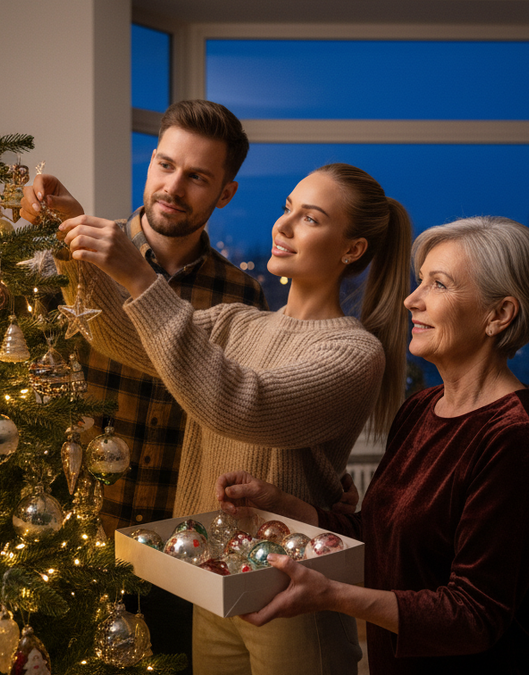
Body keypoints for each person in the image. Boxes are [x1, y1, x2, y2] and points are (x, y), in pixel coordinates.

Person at [59, 162, 413, 675]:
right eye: (287, 208)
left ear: (352, 249)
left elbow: (244, 404)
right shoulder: (236, 322)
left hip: (294, 593)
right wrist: (76, 243)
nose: (283, 226)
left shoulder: (354, 352)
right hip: (214, 577)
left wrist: (139, 275)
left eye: (310, 219)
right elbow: (125, 339)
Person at [216, 216, 529, 674]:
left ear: (499, 315)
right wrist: (285, 506)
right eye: (420, 280)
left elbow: (473, 616)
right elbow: (383, 542)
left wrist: (334, 597)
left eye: (439, 285)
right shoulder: (421, 409)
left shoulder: (519, 439)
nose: (412, 299)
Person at [20, 99, 267, 674]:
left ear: (223, 193)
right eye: (165, 165)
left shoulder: (242, 297)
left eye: (197, 177)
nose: (173, 187)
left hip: (178, 552)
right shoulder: (82, 257)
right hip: (68, 542)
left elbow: (233, 414)